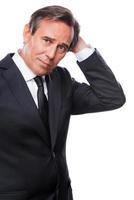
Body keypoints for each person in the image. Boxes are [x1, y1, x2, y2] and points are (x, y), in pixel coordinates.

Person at [0, 5, 125, 200]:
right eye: (47, 40)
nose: (51, 54)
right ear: (27, 32)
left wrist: (80, 46)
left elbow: (112, 97)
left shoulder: (61, 80)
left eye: (61, 48)